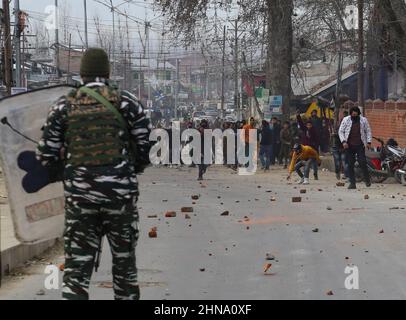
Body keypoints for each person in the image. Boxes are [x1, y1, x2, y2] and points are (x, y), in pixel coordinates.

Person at [36, 48, 151, 300]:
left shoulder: (64, 105)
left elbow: (45, 154)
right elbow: (144, 145)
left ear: (82, 74)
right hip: (120, 198)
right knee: (125, 268)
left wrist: (65, 172)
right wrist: (131, 169)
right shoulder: (127, 102)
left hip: (81, 199)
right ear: (108, 72)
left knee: (76, 270)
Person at [339, 106, 372, 189]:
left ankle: (367, 179)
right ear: (350, 114)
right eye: (353, 115)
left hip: (360, 145)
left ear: (358, 114)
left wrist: (368, 142)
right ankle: (352, 183)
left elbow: (368, 130)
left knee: (362, 162)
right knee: (350, 164)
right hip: (349, 146)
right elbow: (341, 131)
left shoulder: (363, 120)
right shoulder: (346, 120)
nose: (354, 116)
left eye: (356, 115)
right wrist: (343, 141)